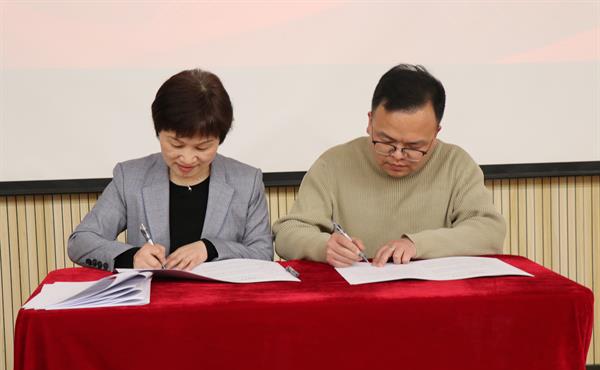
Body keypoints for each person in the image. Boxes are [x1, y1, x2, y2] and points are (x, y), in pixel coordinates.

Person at [273, 64, 505, 267]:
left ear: (436, 133)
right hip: (355, 296)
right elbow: (288, 233)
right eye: (385, 142)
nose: (397, 156)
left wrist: (418, 245)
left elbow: (489, 231)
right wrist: (323, 246)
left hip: (433, 296)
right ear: (370, 122)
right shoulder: (333, 164)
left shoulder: (456, 164)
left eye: (413, 147)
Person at [68, 68, 273, 271]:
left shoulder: (247, 181)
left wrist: (210, 248)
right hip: (152, 292)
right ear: (159, 132)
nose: (187, 158)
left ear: (220, 138)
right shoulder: (130, 177)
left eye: (202, 147)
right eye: (176, 144)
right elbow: (80, 241)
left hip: (220, 293)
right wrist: (131, 257)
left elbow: (263, 253)